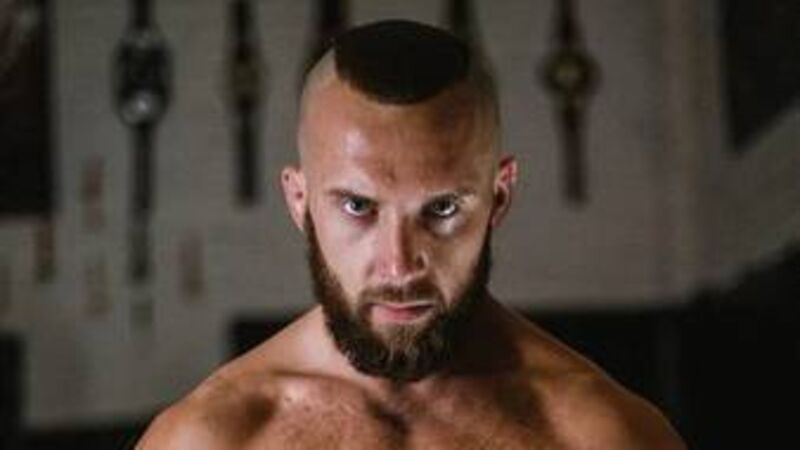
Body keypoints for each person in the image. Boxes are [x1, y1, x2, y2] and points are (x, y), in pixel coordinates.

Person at [135, 19, 686, 449]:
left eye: (442, 208)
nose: (398, 264)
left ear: (498, 197)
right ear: (299, 201)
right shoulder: (209, 439)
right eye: (358, 206)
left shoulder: (604, 437)